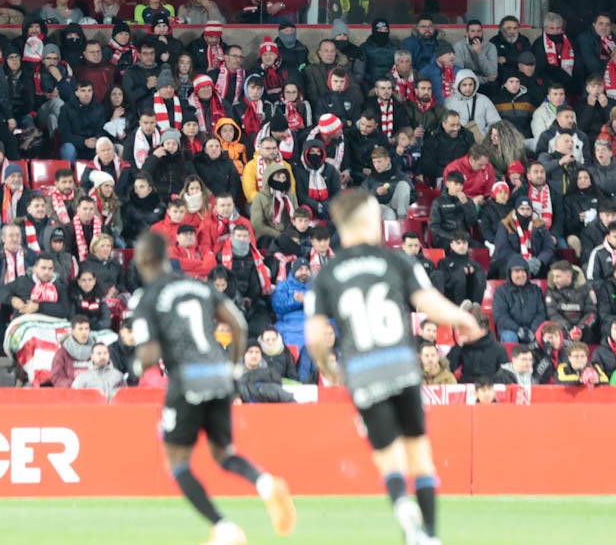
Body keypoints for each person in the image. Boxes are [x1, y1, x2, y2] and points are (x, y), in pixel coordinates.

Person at [306, 189, 480, 545]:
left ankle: (402, 503)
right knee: (419, 451)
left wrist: (331, 367)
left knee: (389, 457)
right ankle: (428, 536)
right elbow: (428, 302)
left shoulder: (328, 273)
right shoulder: (396, 261)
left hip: (364, 371)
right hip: (401, 365)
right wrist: (461, 317)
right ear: (369, 219)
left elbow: (314, 336)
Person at [128, 231, 295, 545]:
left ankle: (224, 527)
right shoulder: (198, 287)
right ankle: (265, 483)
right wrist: (232, 367)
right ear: (167, 257)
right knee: (223, 453)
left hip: (188, 381)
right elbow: (238, 325)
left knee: (177, 462)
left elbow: (148, 354)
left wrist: (137, 364)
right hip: (219, 376)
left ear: (142, 261)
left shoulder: (146, 298)